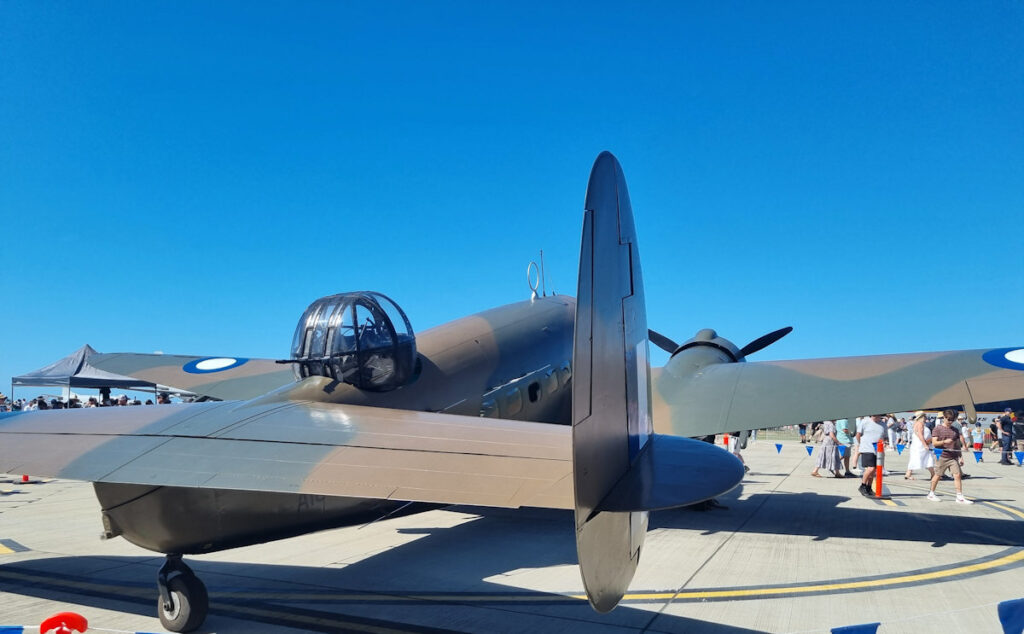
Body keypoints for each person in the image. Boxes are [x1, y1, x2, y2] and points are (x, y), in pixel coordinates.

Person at [927, 409, 972, 504]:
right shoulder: (937, 429)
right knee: (938, 475)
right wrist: (944, 442)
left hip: (953, 457)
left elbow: (956, 445)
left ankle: (959, 496)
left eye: (952, 420)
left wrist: (960, 457)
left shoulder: (955, 430)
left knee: (957, 475)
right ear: (944, 417)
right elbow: (934, 443)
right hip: (941, 456)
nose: (950, 422)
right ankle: (931, 493)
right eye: (949, 419)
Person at [855, 414, 886, 497]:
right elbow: (858, 434)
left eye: (879, 416)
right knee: (870, 468)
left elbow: (884, 436)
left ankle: (869, 487)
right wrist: (861, 444)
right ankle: (863, 485)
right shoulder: (865, 421)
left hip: (878, 450)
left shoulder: (883, 424)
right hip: (867, 448)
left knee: (874, 470)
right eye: (875, 416)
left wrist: (884, 443)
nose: (877, 418)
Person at [905, 411, 935, 480]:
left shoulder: (916, 423)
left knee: (915, 457)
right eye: (924, 416)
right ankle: (933, 474)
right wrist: (925, 445)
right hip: (921, 444)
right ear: (921, 417)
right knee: (928, 458)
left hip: (917, 444)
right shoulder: (920, 424)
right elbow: (920, 435)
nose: (925, 418)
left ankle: (908, 473)